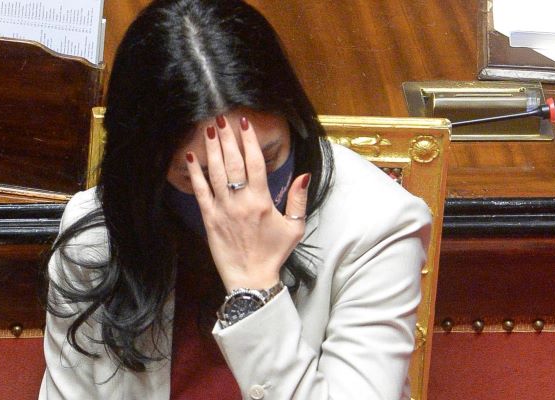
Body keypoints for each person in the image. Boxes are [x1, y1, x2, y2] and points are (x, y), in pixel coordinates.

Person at [40, 0, 431, 398]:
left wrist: (255, 289)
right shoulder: (96, 235)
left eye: (266, 160)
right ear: (148, 170)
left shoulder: (378, 225)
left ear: (294, 123)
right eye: (201, 177)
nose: (242, 202)